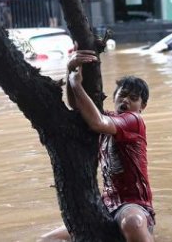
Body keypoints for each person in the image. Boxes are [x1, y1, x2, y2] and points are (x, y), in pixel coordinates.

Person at [40, 49, 155, 242]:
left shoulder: (134, 121)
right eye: (123, 95)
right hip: (104, 206)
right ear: (114, 97)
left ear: (142, 107)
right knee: (46, 240)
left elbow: (96, 123)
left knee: (133, 222)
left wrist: (77, 84)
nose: (126, 100)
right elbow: (78, 107)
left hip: (133, 205)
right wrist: (71, 71)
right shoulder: (107, 118)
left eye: (133, 98)